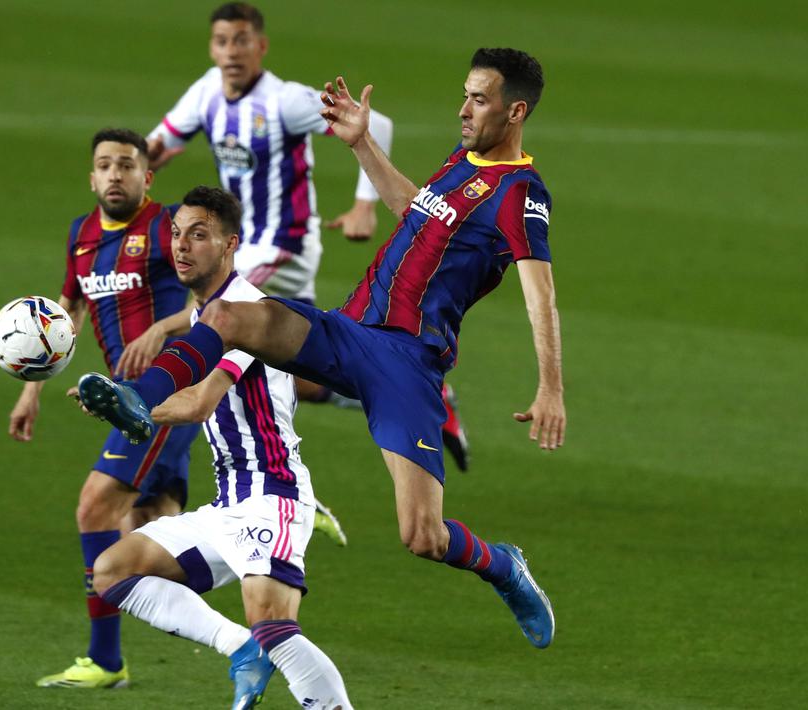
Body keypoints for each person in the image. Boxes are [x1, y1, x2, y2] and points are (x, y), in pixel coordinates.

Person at [79, 48, 563, 649]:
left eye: (479, 100)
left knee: (423, 536)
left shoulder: (521, 192)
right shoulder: (464, 158)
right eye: (464, 95)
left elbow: (540, 292)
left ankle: (503, 565)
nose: (463, 109)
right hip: (350, 330)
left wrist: (550, 388)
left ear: (515, 111)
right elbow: (415, 214)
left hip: (407, 363)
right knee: (228, 315)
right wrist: (362, 144)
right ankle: (136, 395)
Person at [148, 1, 471, 472]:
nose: (232, 51)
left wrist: (364, 204)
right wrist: (140, 168)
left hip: (283, 247)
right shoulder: (206, 93)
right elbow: (161, 143)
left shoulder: (283, 101)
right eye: (222, 42)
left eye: (241, 41)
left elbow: (376, 123)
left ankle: (165, 461)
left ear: (261, 46)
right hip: (245, 244)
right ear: (212, 48)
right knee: (296, 369)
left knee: (209, 324)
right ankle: (425, 394)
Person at [88, 185, 353, 710]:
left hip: (272, 494)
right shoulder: (203, 314)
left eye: (198, 235)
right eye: (176, 233)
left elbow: (197, 403)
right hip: (228, 502)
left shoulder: (246, 314)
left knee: (274, 625)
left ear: (230, 244)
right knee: (113, 569)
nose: (181, 245)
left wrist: (128, 405)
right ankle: (240, 649)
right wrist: (124, 399)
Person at [8, 127, 202, 689]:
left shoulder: (169, 227)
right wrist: (32, 386)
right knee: (151, 529)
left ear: (148, 176)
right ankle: (268, 525)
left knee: (95, 508)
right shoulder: (83, 234)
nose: (115, 174)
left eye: (126, 164)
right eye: (105, 165)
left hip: (164, 392)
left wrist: (162, 329)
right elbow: (67, 311)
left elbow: (214, 300)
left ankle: (106, 661)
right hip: (125, 395)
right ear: (92, 178)